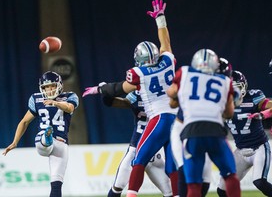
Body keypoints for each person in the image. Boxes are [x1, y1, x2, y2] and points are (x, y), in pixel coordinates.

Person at [82, 0, 178, 197]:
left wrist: (102, 89)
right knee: (173, 166)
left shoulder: (138, 75)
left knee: (138, 160)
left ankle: (132, 194)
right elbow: (165, 44)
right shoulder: (168, 62)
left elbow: (120, 88)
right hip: (176, 120)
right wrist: (160, 19)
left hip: (158, 121)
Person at [166, 49, 241, 197]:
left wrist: (182, 93)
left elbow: (171, 94)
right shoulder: (225, 81)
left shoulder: (185, 73)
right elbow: (229, 113)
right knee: (230, 176)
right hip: (215, 131)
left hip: (192, 131)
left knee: (193, 184)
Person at [3, 71, 79, 197]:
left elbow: (69, 108)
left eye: (52, 86)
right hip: (42, 142)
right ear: (41, 88)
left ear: (59, 85)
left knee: (56, 184)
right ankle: (47, 137)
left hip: (61, 143)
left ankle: (48, 137)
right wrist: (15, 141)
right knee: (43, 137)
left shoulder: (69, 96)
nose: (49, 90)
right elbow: (24, 122)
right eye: (46, 87)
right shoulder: (36, 98)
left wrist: (55, 103)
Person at [103, 92, 172, 197]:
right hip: (136, 150)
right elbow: (123, 102)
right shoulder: (138, 93)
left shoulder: (162, 96)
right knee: (117, 187)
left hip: (153, 153)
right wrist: (107, 95)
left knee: (170, 192)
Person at [217, 70, 272, 197]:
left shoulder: (254, 97)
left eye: (236, 88)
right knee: (222, 190)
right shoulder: (221, 102)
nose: (234, 92)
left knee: (260, 182)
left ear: (244, 86)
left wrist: (264, 114)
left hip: (259, 148)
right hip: (241, 150)